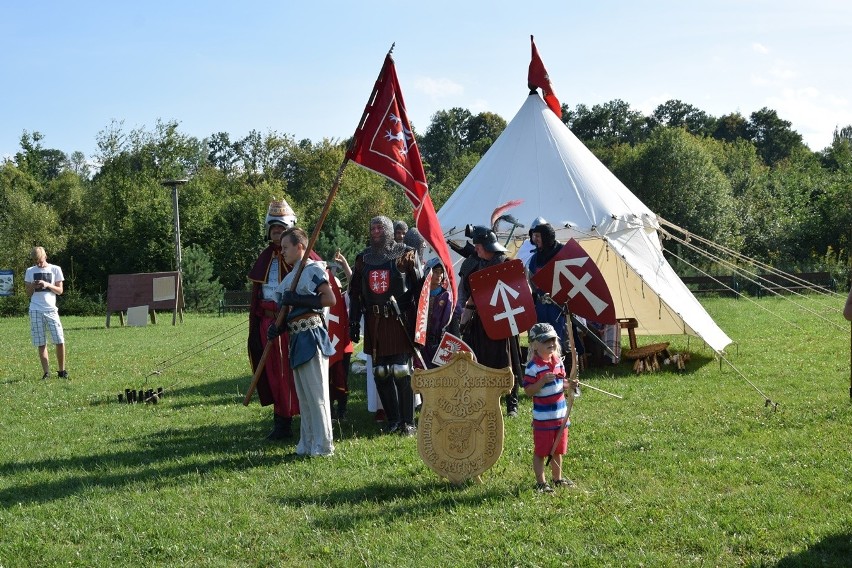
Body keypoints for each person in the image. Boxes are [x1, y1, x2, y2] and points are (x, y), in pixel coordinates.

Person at [349, 216, 423, 435]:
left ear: (389, 230)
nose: (375, 231)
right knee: (380, 372)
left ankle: (408, 423)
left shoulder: (406, 253)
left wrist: (419, 324)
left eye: (380, 227)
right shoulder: (363, 258)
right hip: (375, 320)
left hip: (399, 319)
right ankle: (393, 421)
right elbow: (355, 293)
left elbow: (420, 290)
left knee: (401, 371)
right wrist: (353, 321)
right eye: (372, 227)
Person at [268, 228, 337, 457]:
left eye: (286, 247)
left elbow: (329, 299)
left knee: (317, 395)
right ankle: (307, 444)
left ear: (300, 247)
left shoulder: (312, 270)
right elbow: (286, 314)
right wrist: (276, 329)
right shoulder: (289, 278)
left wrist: (298, 298)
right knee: (304, 397)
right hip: (296, 338)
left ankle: (324, 445)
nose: (283, 252)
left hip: (312, 336)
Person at [457, 225, 524, 417]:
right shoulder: (471, 265)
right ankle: (485, 401)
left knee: (508, 361)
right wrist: (463, 316)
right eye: (475, 246)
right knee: (481, 362)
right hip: (479, 323)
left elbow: (519, 291)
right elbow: (464, 295)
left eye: (478, 246)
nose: (476, 249)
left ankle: (512, 403)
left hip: (504, 319)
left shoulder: (506, 263)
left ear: (487, 246)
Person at [247, 198, 300, 440]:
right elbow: (257, 296)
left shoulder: (301, 257)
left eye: (281, 229)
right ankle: (281, 423)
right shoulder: (264, 256)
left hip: (290, 324)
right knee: (273, 374)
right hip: (267, 324)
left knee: (291, 374)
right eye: (273, 229)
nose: (277, 233)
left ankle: (296, 419)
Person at [522, 322, 579, 493]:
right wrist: (541, 382)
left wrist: (571, 384)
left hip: (560, 416)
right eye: (546, 341)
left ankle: (557, 479)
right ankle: (541, 482)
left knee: (557, 450)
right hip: (543, 419)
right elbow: (528, 391)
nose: (552, 344)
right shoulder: (533, 367)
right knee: (541, 451)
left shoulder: (558, 363)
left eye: (553, 340)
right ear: (535, 345)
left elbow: (561, 385)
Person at [525, 217, 584, 360]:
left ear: (546, 236)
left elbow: (573, 279)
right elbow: (531, 283)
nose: (535, 239)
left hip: (559, 306)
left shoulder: (563, 254)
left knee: (559, 337)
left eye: (538, 236)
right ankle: (542, 366)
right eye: (534, 236)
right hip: (541, 305)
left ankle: (561, 366)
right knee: (540, 336)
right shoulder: (534, 259)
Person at [24, 246, 67, 380]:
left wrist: (47, 285)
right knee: (41, 342)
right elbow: (27, 293)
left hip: (51, 310)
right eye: (36, 261)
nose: (38, 264)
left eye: (40, 261)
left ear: (45, 256)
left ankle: (61, 371)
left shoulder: (55, 269)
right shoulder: (30, 271)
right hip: (35, 310)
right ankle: (46, 373)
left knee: (59, 340)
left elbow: (60, 291)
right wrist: (33, 286)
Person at [422, 258, 452, 368]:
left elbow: (453, 319)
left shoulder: (447, 296)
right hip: (421, 343)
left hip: (439, 343)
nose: (439, 275)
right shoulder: (419, 294)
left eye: (441, 272)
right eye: (435, 271)